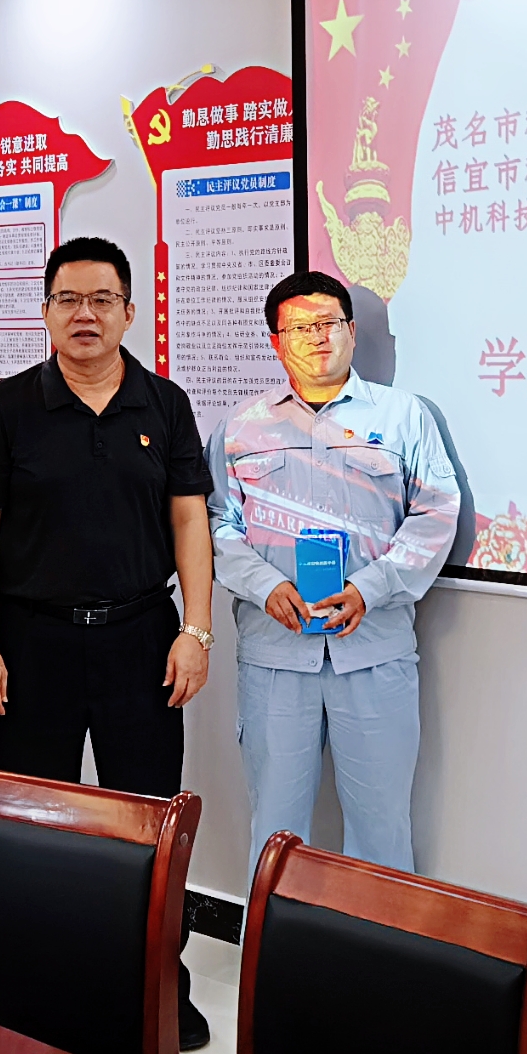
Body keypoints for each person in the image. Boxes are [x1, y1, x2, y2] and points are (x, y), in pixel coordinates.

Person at [0, 234, 216, 1047]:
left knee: (147, 821)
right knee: (33, 825)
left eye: (102, 300)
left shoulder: (163, 404)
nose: (85, 315)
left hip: (142, 639)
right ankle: (40, 986)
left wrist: (195, 630)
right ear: (44, 313)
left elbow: (189, 523)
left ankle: (157, 985)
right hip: (32, 643)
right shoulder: (6, 409)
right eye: (68, 300)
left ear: (130, 312)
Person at [207, 269, 460, 876]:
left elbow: (435, 514)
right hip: (275, 654)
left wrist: (371, 589)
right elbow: (216, 524)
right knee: (276, 827)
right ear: (276, 341)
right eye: (300, 327)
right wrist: (266, 586)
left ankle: (375, 941)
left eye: (329, 323)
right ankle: (273, 939)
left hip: (373, 649)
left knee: (381, 827)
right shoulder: (241, 427)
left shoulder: (405, 417)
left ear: (351, 331)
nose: (318, 338)